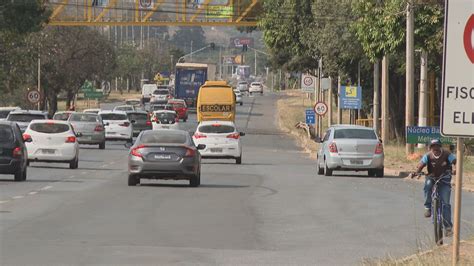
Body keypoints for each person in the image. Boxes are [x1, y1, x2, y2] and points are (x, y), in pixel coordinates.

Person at [413, 139, 456, 236]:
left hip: (444, 179)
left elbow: (455, 161)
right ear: (430, 148)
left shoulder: (447, 154)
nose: (435, 148)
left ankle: (448, 227)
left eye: (437, 146)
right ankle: (428, 207)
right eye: (433, 146)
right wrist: (417, 172)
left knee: (446, 204)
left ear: (440, 147)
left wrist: (456, 169)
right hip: (432, 177)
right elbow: (421, 165)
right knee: (428, 185)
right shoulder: (428, 156)